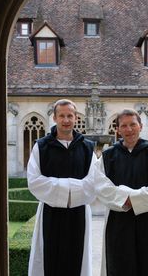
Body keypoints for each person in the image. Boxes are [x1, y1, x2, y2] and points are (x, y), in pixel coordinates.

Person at [95, 108, 148, 276]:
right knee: (117, 264)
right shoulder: (108, 156)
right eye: (124, 125)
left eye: (133, 125)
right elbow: (99, 185)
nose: (129, 129)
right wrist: (126, 199)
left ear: (141, 126)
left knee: (145, 265)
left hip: (146, 218)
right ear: (117, 129)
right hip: (117, 220)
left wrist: (132, 200)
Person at [27, 99, 97, 276]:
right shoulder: (41, 146)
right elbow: (34, 181)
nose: (66, 120)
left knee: (78, 260)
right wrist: (74, 187)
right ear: (54, 117)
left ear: (76, 118)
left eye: (70, 116)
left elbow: (94, 182)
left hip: (79, 212)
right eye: (62, 116)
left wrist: (58, 186)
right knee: (49, 260)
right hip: (50, 212)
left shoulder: (88, 148)